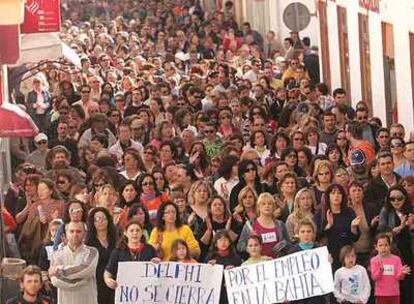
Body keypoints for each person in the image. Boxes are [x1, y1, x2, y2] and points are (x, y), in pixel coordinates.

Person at [49, 221, 98, 304]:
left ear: (85, 234)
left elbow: (86, 270)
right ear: (66, 234)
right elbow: (55, 281)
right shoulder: (57, 254)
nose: (75, 234)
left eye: (78, 231)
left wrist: (58, 270)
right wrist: (82, 280)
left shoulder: (92, 252)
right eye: (71, 231)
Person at [237, 193, 289, 258]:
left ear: (273, 207)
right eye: (263, 204)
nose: (267, 206)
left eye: (269, 204)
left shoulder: (280, 224)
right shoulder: (250, 225)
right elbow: (239, 246)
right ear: (258, 207)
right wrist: (251, 242)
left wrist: (281, 245)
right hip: (259, 263)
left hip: (278, 261)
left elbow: (288, 243)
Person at [85, 208, 117, 304]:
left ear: (108, 220)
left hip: (115, 280)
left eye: (103, 218)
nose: (101, 221)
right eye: (97, 219)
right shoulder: (89, 242)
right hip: (97, 282)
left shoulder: (116, 238)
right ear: (93, 223)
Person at [370, 233, 411, 304]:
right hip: (381, 294)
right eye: (380, 245)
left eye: (386, 245)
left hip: (394, 294)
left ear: (390, 246)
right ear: (376, 247)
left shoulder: (396, 259)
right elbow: (374, 278)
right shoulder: (374, 260)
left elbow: (399, 277)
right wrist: (380, 270)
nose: (383, 248)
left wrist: (402, 273)